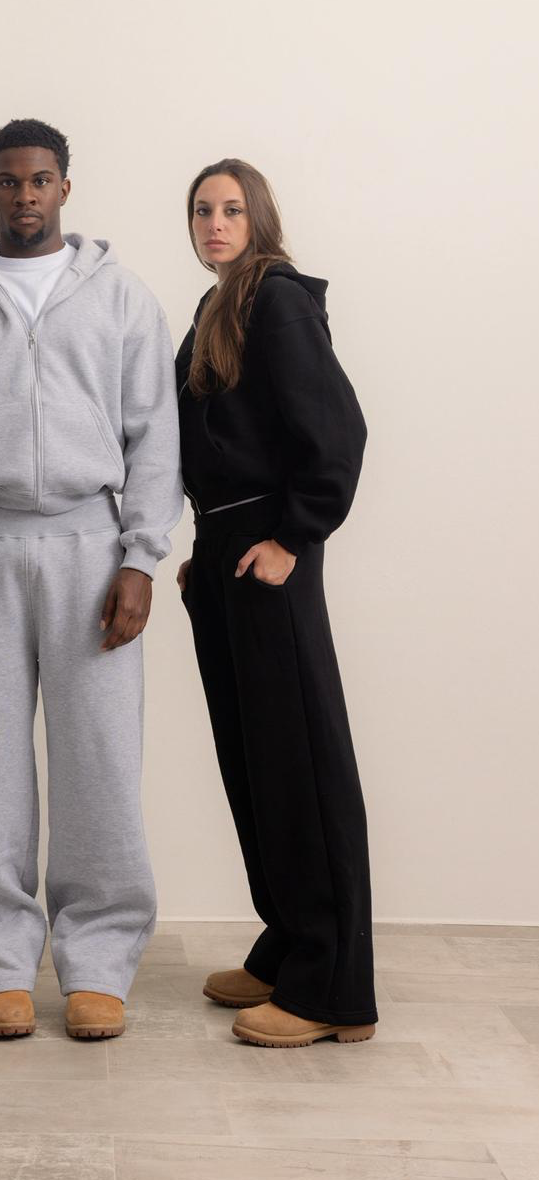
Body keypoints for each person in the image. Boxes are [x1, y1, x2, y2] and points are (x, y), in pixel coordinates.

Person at [0, 118, 182, 1041]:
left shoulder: (123, 298)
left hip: (93, 548)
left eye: (41, 179)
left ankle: (99, 964)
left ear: (65, 188)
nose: (25, 195)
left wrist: (140, 558)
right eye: (9, 181)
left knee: (100, 762)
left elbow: (156, 436)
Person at [175, 158, 378, 1047]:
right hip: (226, 548)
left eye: (231, 209)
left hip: (271, 549)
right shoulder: (216, 305)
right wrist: (205, 550)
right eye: (201, 211)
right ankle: (291, 941)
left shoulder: (278, 299)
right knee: (253, 759)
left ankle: (332, 989)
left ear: (258, 216)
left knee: (299, 759)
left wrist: (292, 538)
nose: (215, 223)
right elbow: (223, 440)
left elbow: (337, 430)